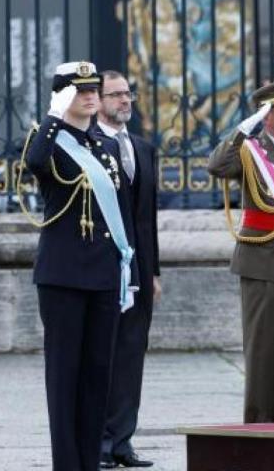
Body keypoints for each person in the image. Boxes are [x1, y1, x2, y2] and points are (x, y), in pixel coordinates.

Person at [23, 61, 138, 471]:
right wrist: (54, 115)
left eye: (93, 90)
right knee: (64, 377)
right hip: (64, 275)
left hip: (104, 274)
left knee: (96, 377)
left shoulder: (103, 147)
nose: (90, 97)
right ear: (63, 96)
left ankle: (89, 463)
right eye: (80, 91)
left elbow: (121, 213)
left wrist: (129, 272)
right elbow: (35, 164)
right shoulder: (49, 140)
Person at [207, 80, 274, 424]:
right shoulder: (250, 150)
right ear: (266, 115)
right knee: (262, 353)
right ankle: (258, 429)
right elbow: (217, 165)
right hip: (263, 262)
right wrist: (245, 129)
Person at [96, 71, 161, 469]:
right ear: (98, 100)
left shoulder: (143, 148)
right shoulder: (88, 146)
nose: (125, 100)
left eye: (128, 94)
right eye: (116, 94)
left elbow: (147, 219)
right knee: (103, 357)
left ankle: (122, 441)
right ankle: (100, 444)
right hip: (104, 271)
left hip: (138, 271)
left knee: (132, 356)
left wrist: (153, 273)